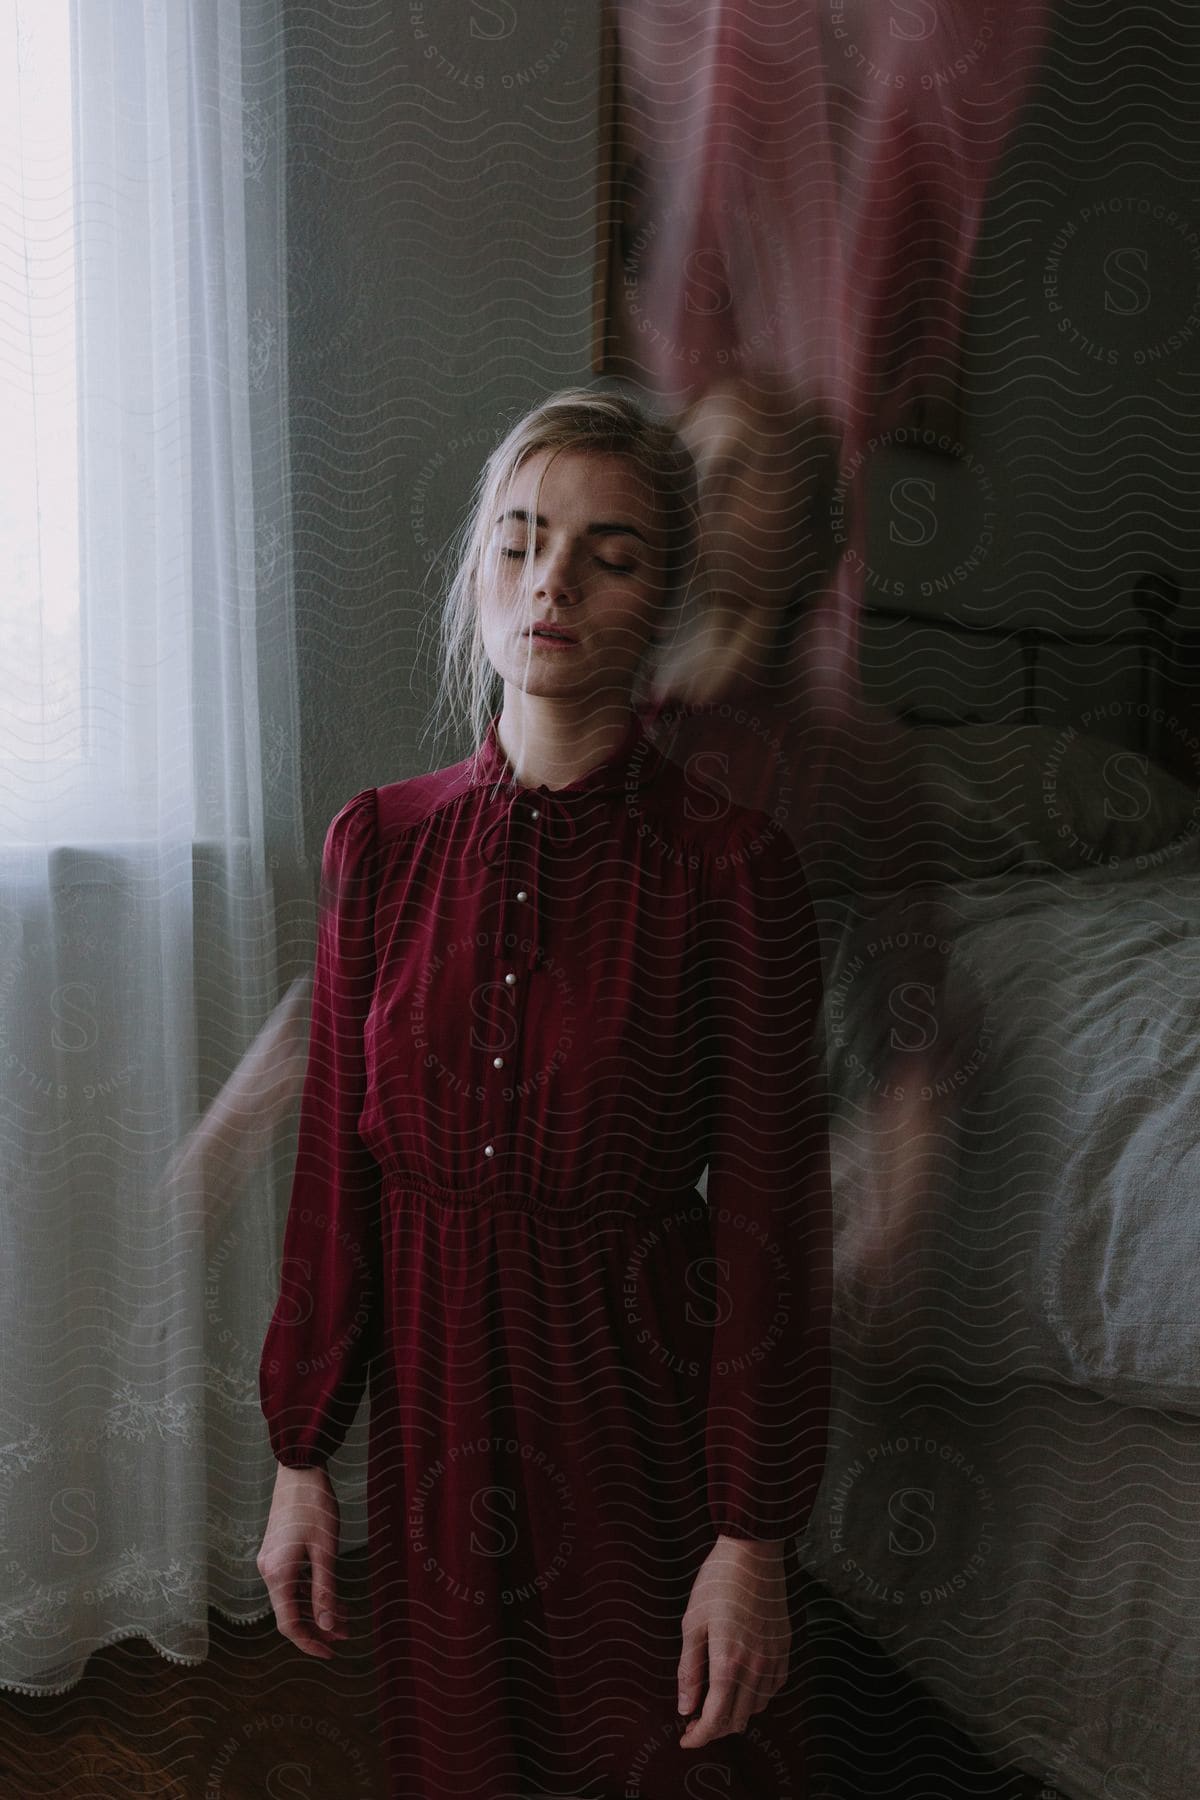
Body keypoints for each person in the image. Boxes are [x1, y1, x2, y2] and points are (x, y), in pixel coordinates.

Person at [256, 387, 833, 1800]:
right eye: (520, 539)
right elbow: (340, 1172)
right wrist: (300, 1452)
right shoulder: (379, 847)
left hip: (633, 1410)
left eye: (609, 554)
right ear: (478, 571)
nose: (554, 579)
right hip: (436, 1414)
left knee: (669, 1760)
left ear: (661, 603)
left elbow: (772, 1233)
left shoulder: (730, 872)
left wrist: (750, 1543)